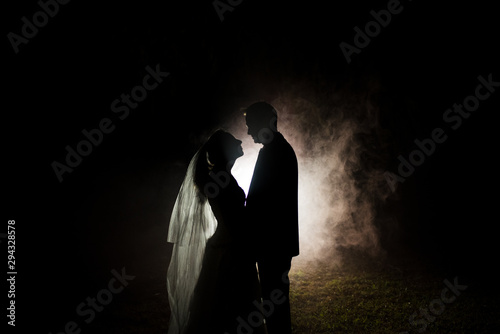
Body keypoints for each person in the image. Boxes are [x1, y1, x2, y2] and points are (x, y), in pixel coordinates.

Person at [167, 130, 266, 334]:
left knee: (220, 307)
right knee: (228, 307)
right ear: (225, 151)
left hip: (226, 245)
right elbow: (233, 219)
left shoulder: (222, 177)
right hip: (229, 249)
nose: (240, 141)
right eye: (233, 141)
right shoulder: (221, 179)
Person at [245, 102, 299, 334]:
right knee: (274, 302)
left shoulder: (274, 153)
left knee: (274, 302)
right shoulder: (277, 150)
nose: (248, 132)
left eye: (250, 125)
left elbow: (261, 202)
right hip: (276, 242)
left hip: (272, 243)